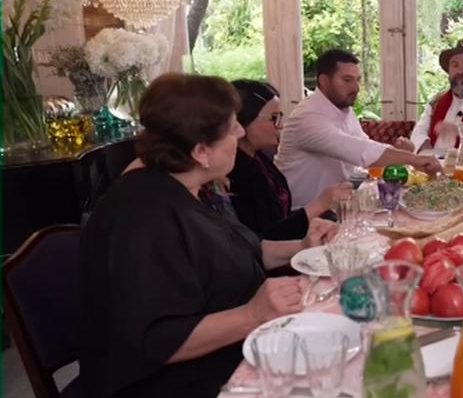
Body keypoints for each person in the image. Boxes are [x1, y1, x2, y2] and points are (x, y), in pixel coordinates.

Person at [79, 74, 336, 397]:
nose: (240, 132)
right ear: (201, 151)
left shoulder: (192, 187)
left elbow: (242, 250)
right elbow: (156, 341)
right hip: (173, 383)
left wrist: (302, 246)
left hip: (228, 351)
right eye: (232, 127)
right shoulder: (144, 216)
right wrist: (252, 315)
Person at [275, 49, 442, 207]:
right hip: (301, 214)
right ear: (324, 81)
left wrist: (401, 154)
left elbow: (366, 146)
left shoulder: (343, 109)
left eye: (357, 80)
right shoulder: (307, 117)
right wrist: (413, 159)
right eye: (347, 80)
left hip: (336, 206)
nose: (356, 88)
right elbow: (362, 152)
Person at [229, 79, 351, 241]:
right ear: (243, 120)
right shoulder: (235, 172)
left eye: (280, 117)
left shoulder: (259, 158)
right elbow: (265, 238)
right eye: (273, 118)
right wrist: (321, 203)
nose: (280, 125)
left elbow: (280, 218)